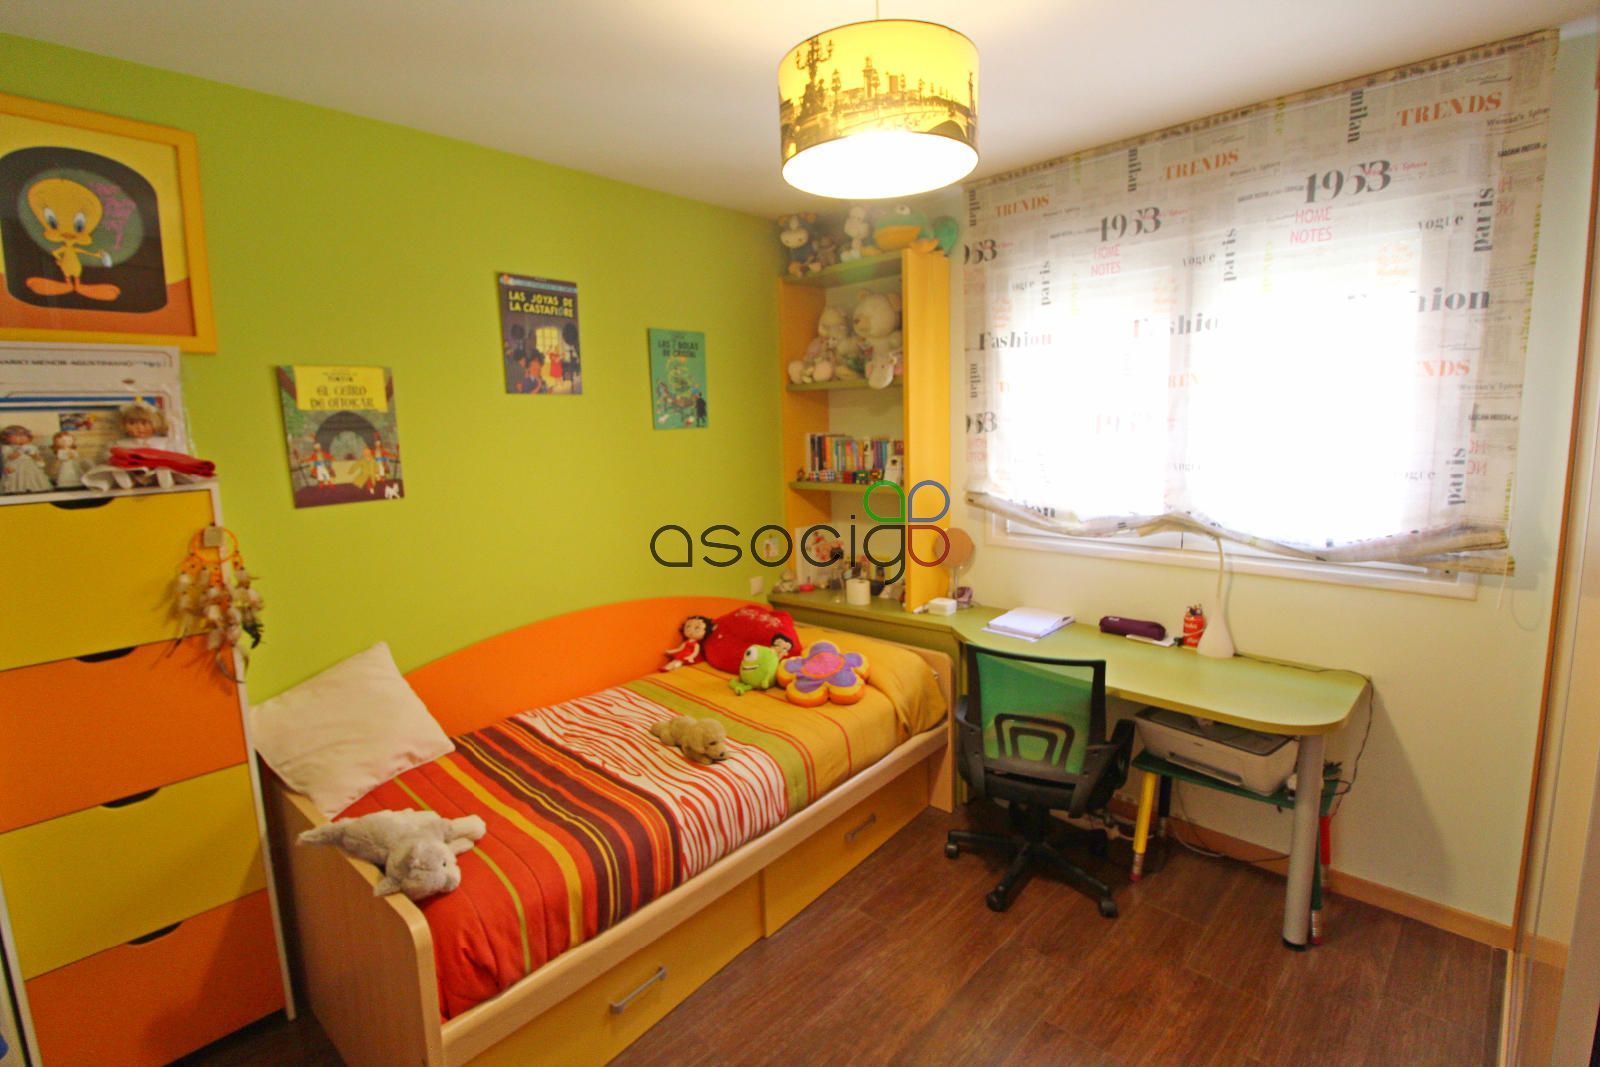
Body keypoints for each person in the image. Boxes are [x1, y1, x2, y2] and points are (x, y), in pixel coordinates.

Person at [1, 425, 52, 493]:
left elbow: (36, 456)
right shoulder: (7, 448)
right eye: (16, 436)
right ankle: (16, 490)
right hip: (15, 468)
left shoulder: (32, 447)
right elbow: (11, 457)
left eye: (24, 435)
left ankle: (34, 488)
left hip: (30, 467)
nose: (21, 438)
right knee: (16, 480)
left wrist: (35, 456)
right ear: (6, 438)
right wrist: (22, 449)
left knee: (32, 478)